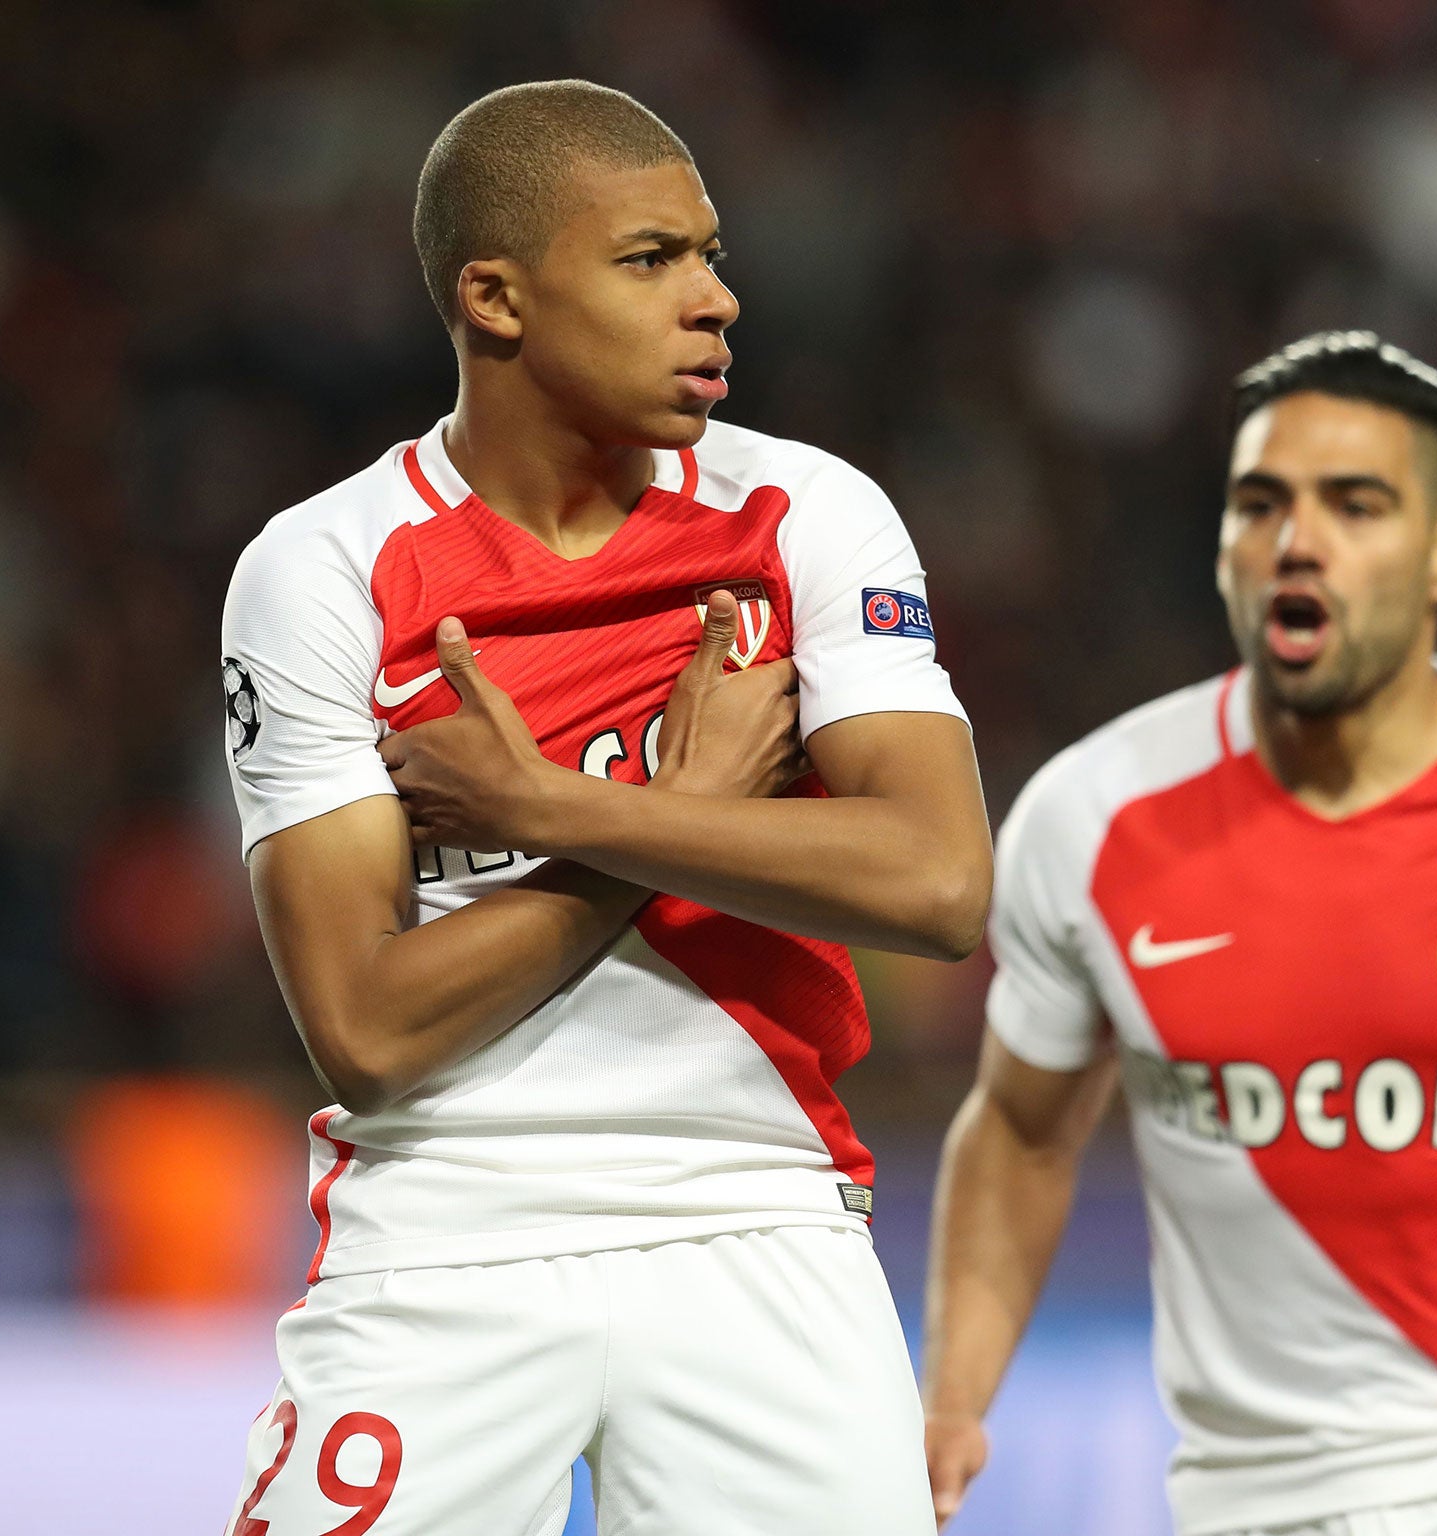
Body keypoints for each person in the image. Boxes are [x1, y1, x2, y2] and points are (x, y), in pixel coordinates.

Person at [218, 80, 991, 1536]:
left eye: (710, 254)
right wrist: (670, 815)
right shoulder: (324, 568)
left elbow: (941, 887)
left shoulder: (805, 515)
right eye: (653, 260)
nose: (718, 301)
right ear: (495, 299)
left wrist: (552, 805)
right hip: (447, 1223)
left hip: (760, 1213)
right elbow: (369, 1031)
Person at [920, 331, 1437, 1536]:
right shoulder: (1088, 818)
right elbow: (1019, 1128)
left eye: (1353, 505)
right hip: (1245, 1496)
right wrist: (953, 1399)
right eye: (1258, 505)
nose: (1294, 541)